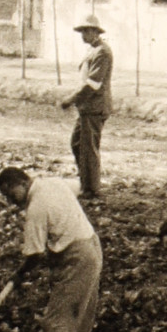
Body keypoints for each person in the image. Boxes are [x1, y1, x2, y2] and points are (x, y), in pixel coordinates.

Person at [0, 167, 103, 332]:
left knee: (60, 313)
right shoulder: (53, 182)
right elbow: (76, 191)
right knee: (81, 308)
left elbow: (34, 255)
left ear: (23, 183)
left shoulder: (36, 208)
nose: (11, 202)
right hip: (93, 246)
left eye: (11, 195)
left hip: (77, 256)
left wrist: (17, 276)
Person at [60, 14, 113, 199]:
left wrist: (71, 99)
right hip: (87, 107)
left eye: (86, 31)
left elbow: (93, 84)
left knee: (88, 147)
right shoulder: (93, 50)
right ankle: (86, 183)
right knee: (77, 143)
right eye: (81, 31)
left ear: (95, 32)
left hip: (94, 107)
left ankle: (92, 189)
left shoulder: (102, 52)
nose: (83, 35)